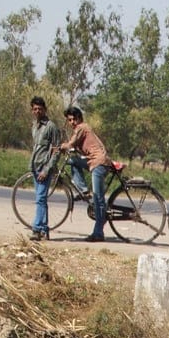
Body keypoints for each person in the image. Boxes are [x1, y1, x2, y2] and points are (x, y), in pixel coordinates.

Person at [60, 106, 111, 242]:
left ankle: (98, 233)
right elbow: (76, 148)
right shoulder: (80, 129)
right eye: (69, 120)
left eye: (73, 119)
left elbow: (71, 144)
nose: (72, 122)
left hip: (99, 163)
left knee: (98, 199)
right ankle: (83, 190)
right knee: (73, 161)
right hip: (93, 161)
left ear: (79, 118)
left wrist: (60, 147)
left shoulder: (82, 127)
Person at [28, 96, 60, 242]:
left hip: (44, 167)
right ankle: (44, 230)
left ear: (45, 110)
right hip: (35, 166)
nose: (37, 111)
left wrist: (47, 170)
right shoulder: (34, 126)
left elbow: (56, 151)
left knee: (40, 199)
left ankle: (36, 229)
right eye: (35, 109)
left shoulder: (51, 127)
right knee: (41, 200)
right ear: (32, 110)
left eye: (40, 109)